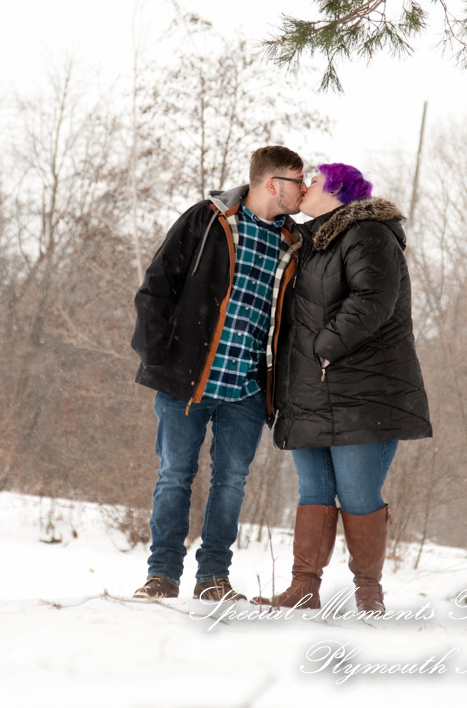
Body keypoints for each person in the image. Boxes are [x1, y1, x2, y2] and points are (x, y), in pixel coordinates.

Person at [130, 145, 307, 601]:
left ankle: (213, 577)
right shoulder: (209, 219)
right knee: (174, 475)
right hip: (188, 381)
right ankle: (162, 575)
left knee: (231, 483)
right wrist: (156, 355)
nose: (304, 189)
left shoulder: (294, 243)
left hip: (248, 388)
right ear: (272, 184)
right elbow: (157, 285)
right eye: (297, 180)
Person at [256, 162, 431, 615]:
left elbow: (373, 298)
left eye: (314, 181)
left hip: (363, 393)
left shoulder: (367, 233)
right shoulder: (311, 242)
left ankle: (369, 594)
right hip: (310, 389)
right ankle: (303, 588)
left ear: (337, 191)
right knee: (314, 491)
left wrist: (325, 347)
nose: (305, 187)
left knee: (357, 494)